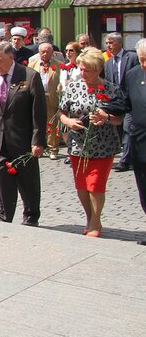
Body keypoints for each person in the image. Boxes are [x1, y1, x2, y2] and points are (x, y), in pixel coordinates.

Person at [0, 42, 46, 226]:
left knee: (28, 182)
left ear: (11, 58)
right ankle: (4, 217)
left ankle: (31, 217)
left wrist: (38, 140)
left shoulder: (29, 76)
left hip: (23, 140)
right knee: (1, 180)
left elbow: (38, 112)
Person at [58, 47, 122, 238]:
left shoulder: (111, 89)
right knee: (82, 186)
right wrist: (69, 122)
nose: (83, 73)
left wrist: (106, 118)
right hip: (78, 144)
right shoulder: (73, 87)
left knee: (95, 184)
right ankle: (90, 217)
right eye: (82, 69)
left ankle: (95, 221)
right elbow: (61, 112)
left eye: (88, 70)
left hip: (104, 145)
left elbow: (119, 119)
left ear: (98, 69)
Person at [101, 38, 146, 245]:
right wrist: (105, 110)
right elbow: (124, 102)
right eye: (142, 60)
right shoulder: (133, 75)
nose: (144, 65)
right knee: (144, 187)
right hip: (140, 141)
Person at [104, 32, 138, 172]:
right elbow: (108, 84)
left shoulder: (132, 58)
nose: (108, 45)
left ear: (119, 43)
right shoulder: (108, 63)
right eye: (107, 43)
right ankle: (126, 155)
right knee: (117, 128)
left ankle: (124, 161)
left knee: (127, 128)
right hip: (116, 102)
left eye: (111, 42)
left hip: (131, 101)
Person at [29, 43, 62, 160]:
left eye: (47, 51)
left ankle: (53, 148)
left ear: (52, 52)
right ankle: (39, 147)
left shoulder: (59, 66)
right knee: (37, 122)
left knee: (52, 123)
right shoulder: (32, 65)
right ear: (38, 52)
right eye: (42, 51)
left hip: (51, 97)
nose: (44, 54)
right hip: (37, 97)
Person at [58, 41, 82, 165]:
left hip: (77, 100)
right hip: (65, 99)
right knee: (65, 129)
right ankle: (69, 152)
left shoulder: (81, 67)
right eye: (66, 50)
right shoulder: (64, 67)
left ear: (77, 52)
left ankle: (78, 152)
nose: (68, 53)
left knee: (76, 128)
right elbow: (62, 82)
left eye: (71, 50)